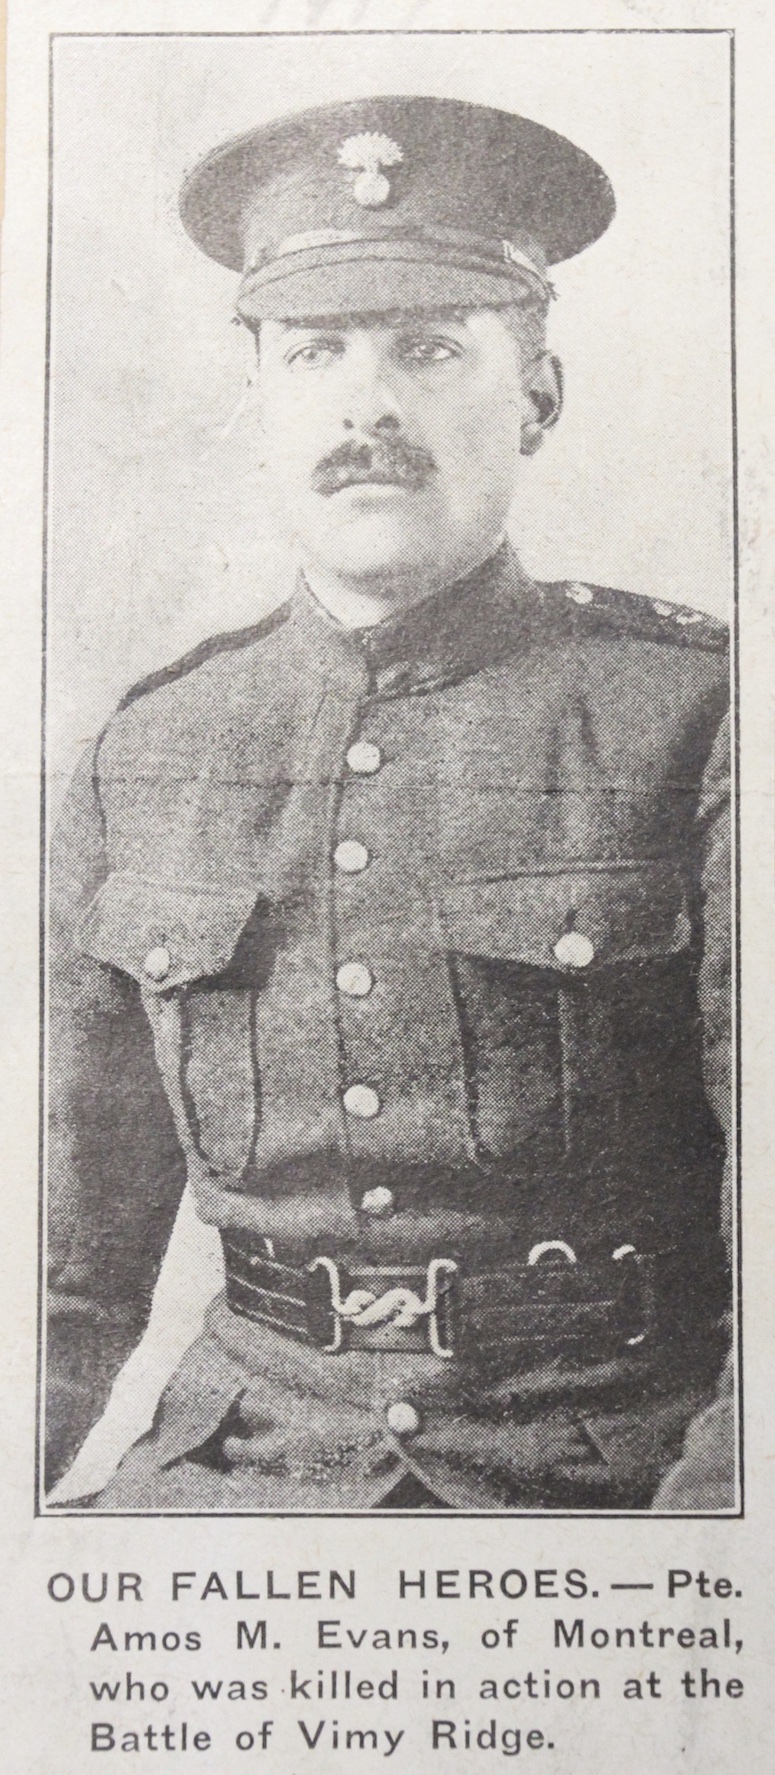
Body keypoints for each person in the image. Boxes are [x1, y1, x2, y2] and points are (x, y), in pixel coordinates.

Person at [46, 94, 733, 1511]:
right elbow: (61, 1266)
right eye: (316, 353)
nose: (368, 410)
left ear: (538, 395)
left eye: (429, 349)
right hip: (237, 1469)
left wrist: (706, 1559)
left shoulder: (701, 718)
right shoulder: (151, 748)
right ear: (259, 404)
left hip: (606, 1479)